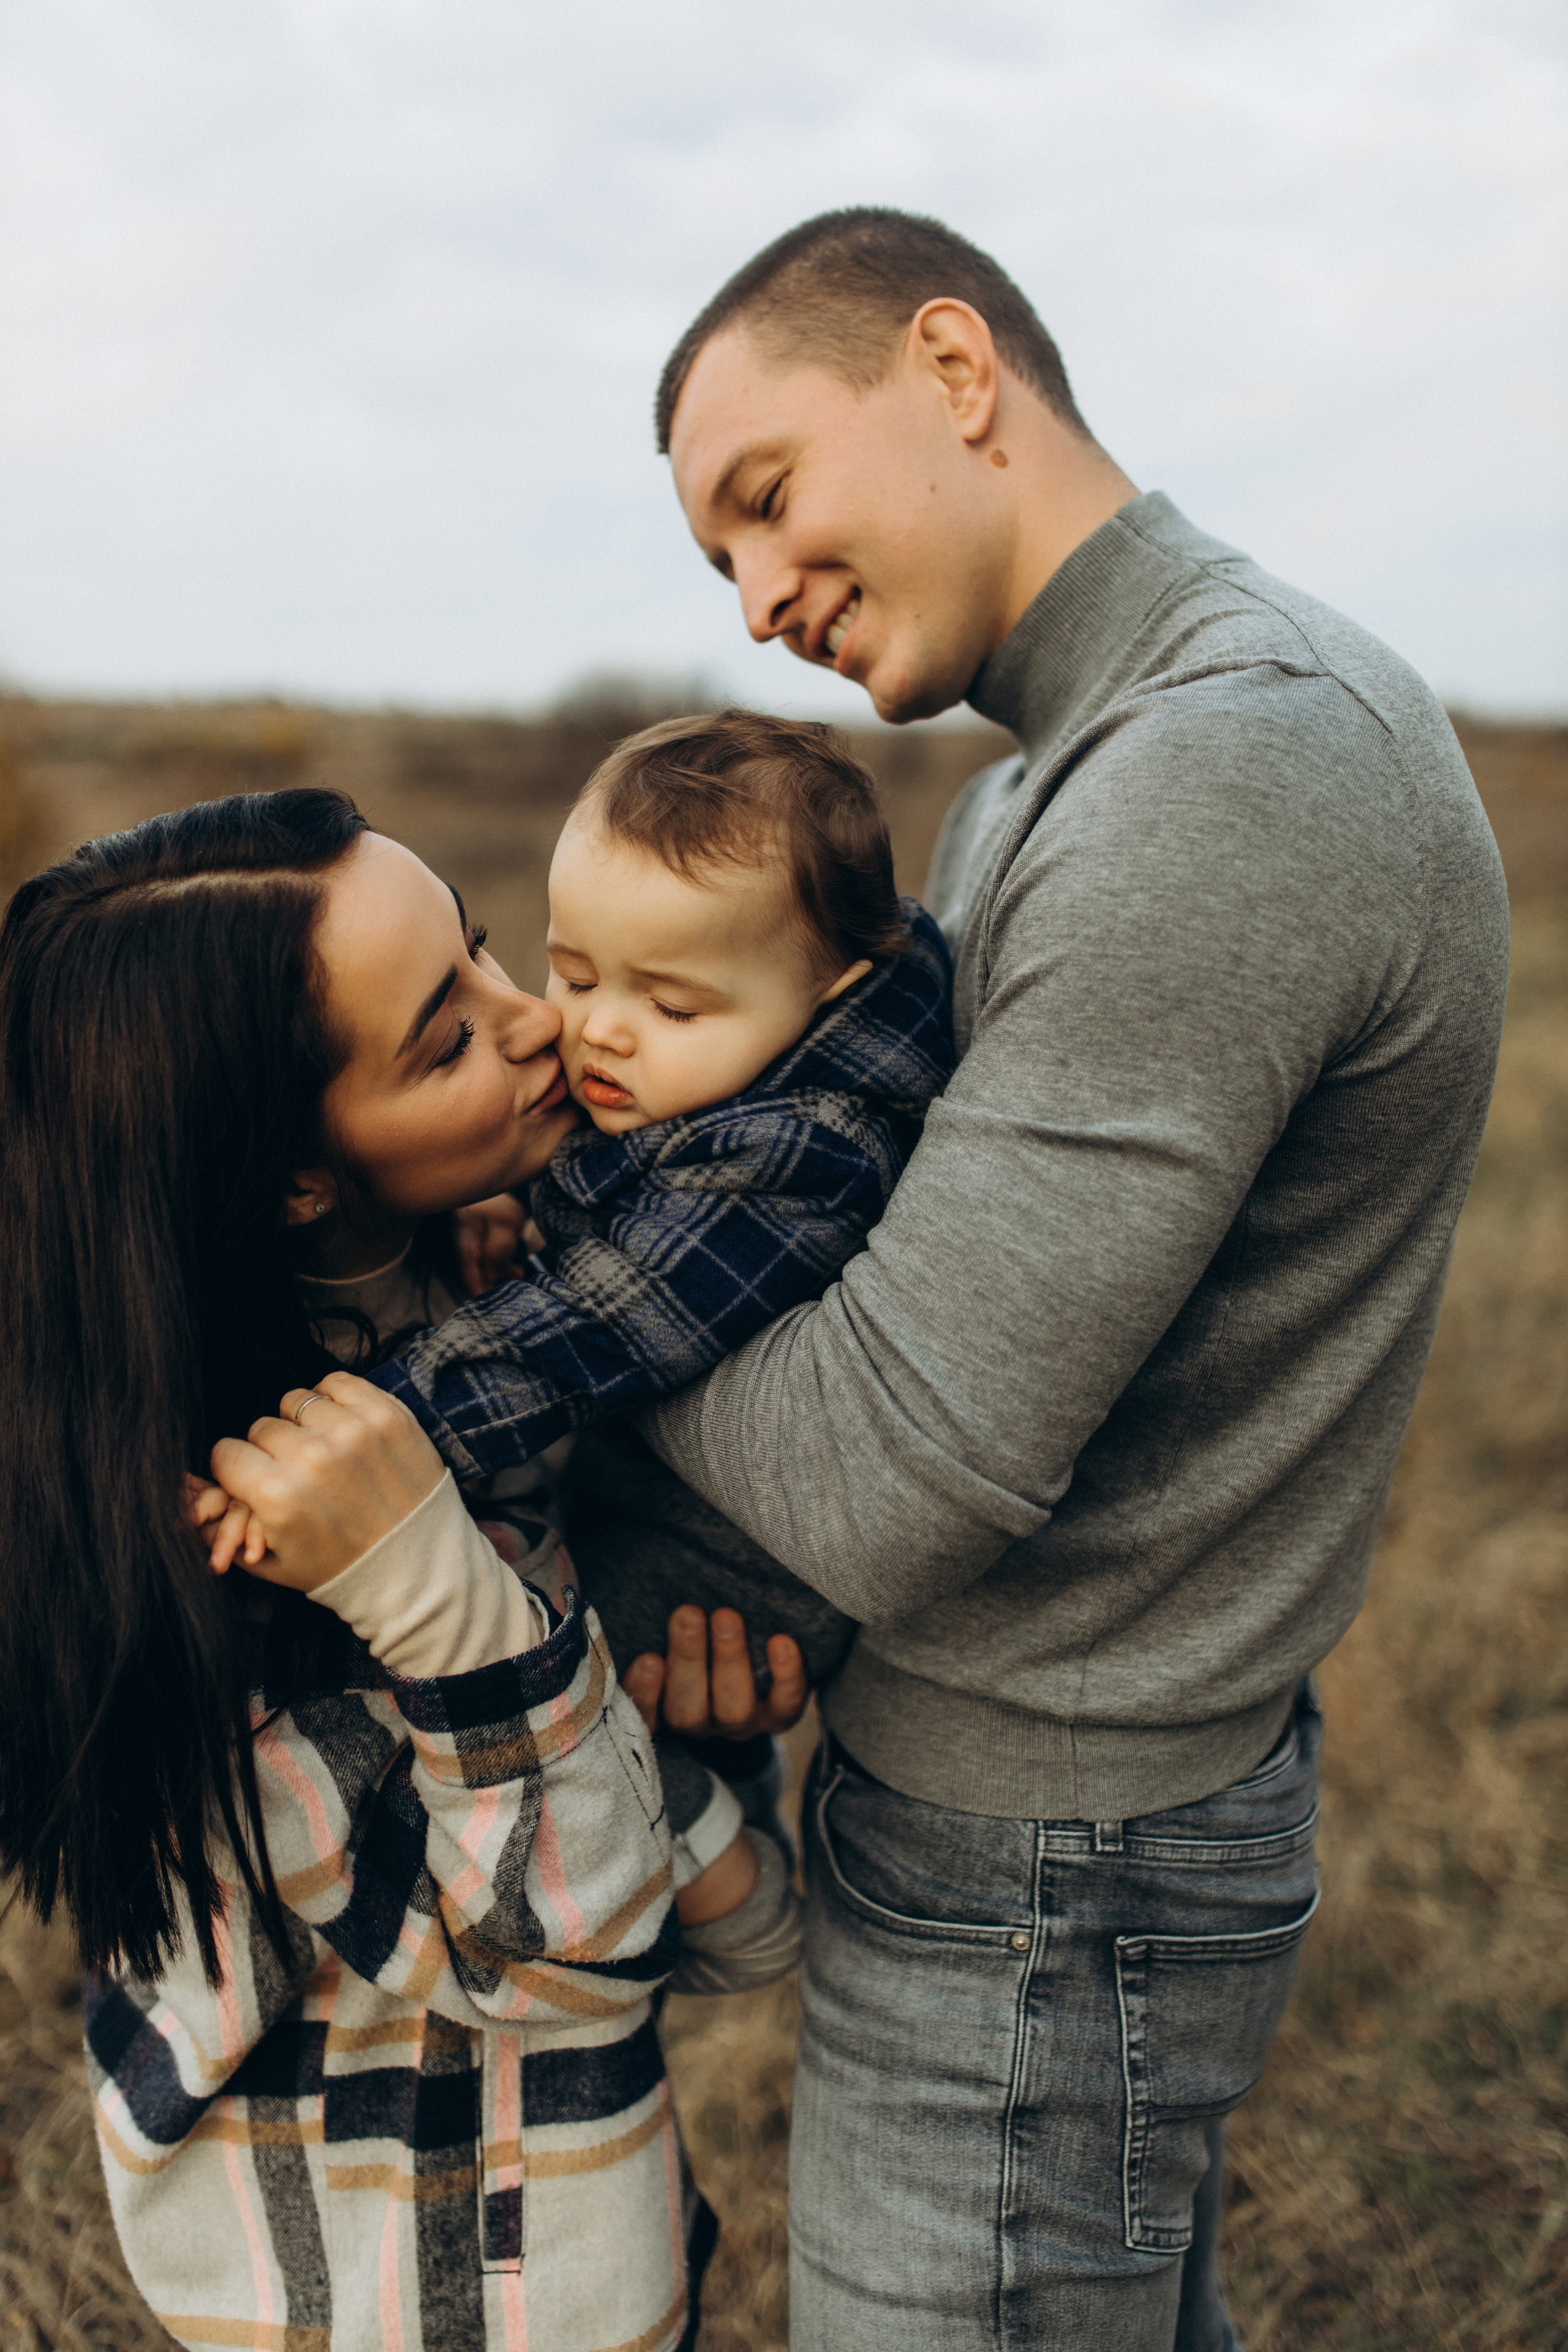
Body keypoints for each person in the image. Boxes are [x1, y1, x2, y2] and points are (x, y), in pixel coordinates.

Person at [617, 207, 1510, 2348]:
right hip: (1020, 1813)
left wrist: (580, 1288)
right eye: (716, 567)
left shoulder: (1231, 769)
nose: (758, 601)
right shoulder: (1048, 787)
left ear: (953, 367)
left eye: (768, 499)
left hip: (1053, 1871)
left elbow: (886, 1470)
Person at [0, 788, 796, 2352]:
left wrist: (692, 1724)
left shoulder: (486, 1315)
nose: (538, 1021)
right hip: (398, 2303)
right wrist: (438, 1598)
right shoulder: (231, 1534)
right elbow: (577, 1960)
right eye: (445, 1041)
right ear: (295, 1180)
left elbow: (627, 1837)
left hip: (595, 2244)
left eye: (488, 955)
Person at [346, 706, 952, 1694]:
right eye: (576, 975)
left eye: (670, 1006)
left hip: (713, 1581)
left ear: (831, 994)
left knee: (534, 1685)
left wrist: (382, 1432)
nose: (601, 1034)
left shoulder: (799, 1152)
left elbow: (591, 1323)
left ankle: (700, 1841)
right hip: (634, 1494)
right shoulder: (716, 1070)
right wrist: (512, 1190)